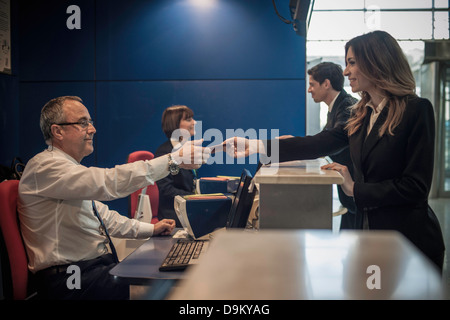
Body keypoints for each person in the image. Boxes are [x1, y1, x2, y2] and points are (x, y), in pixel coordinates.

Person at [224, 30, 445, 271]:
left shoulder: (416, 109)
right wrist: (256, 145)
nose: (346, 71)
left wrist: (355, 188)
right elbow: (319, 143)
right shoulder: (362, 113)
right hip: (370, 236)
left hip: (409, 243)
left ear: (376, 62)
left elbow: (416, 187)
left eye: (351, 63)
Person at [18, 96, 208, 299]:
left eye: (90, 122)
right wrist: (173, 160)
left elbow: (105, 218)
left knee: (171, 280)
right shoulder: (46, 167)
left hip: (90, 271)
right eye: (83, 123)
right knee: (174, 291)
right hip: (69, 280)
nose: (92, 129)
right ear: (58, 131)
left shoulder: (67, 170)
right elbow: (109, 183)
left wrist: (151, 229)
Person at [307, 62, 358, 229]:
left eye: (312, 84)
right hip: (350, 193)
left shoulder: (348, 107)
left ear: (326, 84)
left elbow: (326, 143)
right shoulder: (336, 107)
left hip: (358, 193)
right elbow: (323, 141)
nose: (309, 90)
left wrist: (285, 146)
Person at [155, 105, 198, 227]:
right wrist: (195, 197)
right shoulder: (164, 153)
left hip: (187, 211)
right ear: (175, 125)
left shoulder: (186, 149)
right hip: (174, 217)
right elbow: (166, 190)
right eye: (189, 119)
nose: (194, 122)